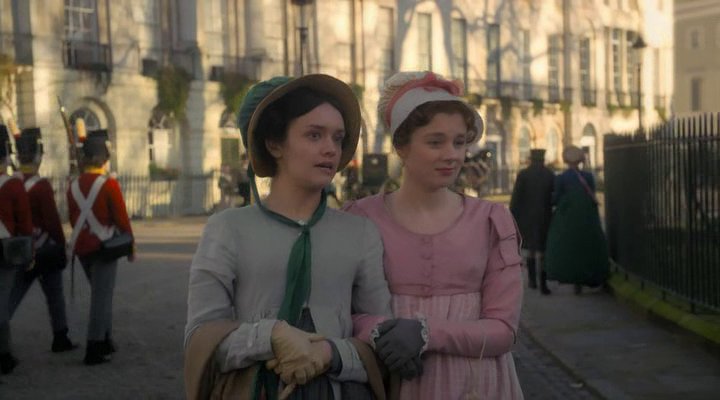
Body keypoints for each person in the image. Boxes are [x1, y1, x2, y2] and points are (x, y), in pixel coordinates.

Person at [184, 74, 392, 400]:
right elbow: (201, 339)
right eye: (314, 135)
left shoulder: (360, 232)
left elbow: (379, 335)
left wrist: (331, 354)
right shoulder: (227, 229)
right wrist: (270, 337)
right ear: (274, 144)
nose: (330, 149)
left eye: (337, 138)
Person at [344, 71, 524, 399]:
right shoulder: (361, 219)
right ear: (401, 146)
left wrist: (426, 334)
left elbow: (504, 329)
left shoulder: (491, 220)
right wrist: (380, 333)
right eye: (435, 142)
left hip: (477, 384)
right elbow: (340, 309)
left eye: (459, 142)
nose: (452, 154)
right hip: (393, 380)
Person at [67, 129, 135, 365]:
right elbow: (121, 218)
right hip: (104, 247)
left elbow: (73, 219)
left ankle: (106, 339)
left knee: (101, 295)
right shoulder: (109, 184)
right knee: (101, 299)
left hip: (82, 248)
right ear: (104, 159)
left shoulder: (73, 185)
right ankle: (94, 346)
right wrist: (130, 244)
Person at [9, 127, 77, 352]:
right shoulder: (41, 186)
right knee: (55, 295)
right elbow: (52, 220)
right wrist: (61, 244)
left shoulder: (10, 182)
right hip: (45, 247)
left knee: (12, 296)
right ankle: (60, 336)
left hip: (21, 247)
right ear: (38, 156)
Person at [544, 145, 609, 294]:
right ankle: (591, 275)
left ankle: (574, 279)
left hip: (567, 216)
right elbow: (592, 193)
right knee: (588, 244)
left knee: (571, 245)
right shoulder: (588, 176)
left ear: (566, 160)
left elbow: (556, 198)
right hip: (587, 215)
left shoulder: (562, 178)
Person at [0, 124, 32, 374]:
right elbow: (24, 223)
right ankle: (3, 354)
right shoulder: (13, 185)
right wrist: (29, 252)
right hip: (6, 251)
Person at [510, 148, 555, 295]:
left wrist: (512, 217)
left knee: (530, 250)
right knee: (542, 250)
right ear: (543, 159)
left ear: (531, 159)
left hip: (526, 217)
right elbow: (554, 197)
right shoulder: (549, 174)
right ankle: (543, 283)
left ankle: (532, 281)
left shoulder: (523, 174)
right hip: (545, 216)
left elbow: (516, 199)